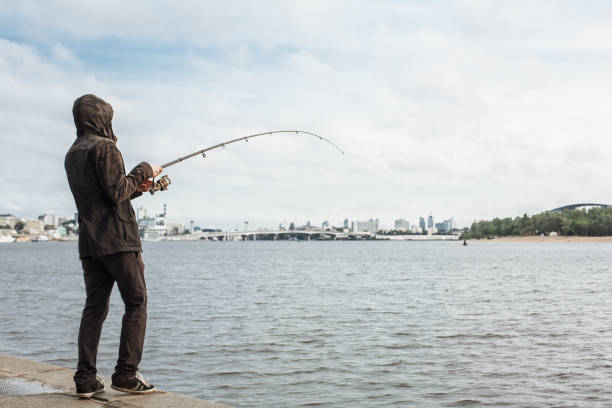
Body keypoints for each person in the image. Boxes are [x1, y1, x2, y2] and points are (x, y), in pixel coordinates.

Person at [65, 94, 163, 398]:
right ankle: (125, 374)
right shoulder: (106, 147)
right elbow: (116, 190)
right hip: (119, 242)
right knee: (137, 302)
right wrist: (143, 170)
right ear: (102, 119)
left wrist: (138, 188)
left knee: (94, 308)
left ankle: (85, 379)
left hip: (91, 244)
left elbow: (108, 196)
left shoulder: (73, 153)